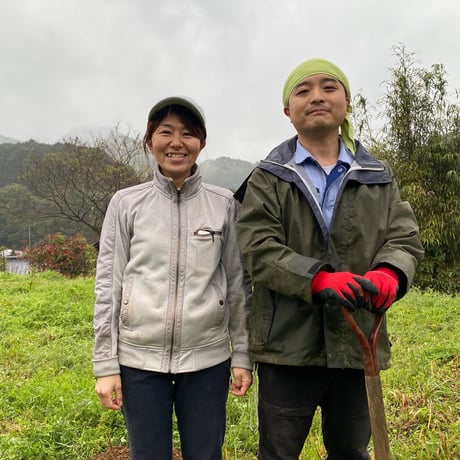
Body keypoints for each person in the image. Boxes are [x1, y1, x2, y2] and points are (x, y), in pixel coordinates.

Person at [235, 59, 424, 459]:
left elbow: (404, 236)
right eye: (303, 90)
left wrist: (391, 271)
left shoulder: (377, 176)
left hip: (357, 343)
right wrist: (316, 279)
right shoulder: (268, 177)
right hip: (286, 346)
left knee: (351, 451)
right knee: (278, 453)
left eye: (328, 87)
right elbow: (256, 246)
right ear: (288, 111)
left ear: (347, 102)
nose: (317, 96)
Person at [93, 96, 253, 460]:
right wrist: (105, 364)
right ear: (150, 141)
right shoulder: (126, 203)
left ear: (202, 142)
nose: (177, 143)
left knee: (206, 454)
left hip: (208, 364)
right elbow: (108, 285)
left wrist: (242, 354)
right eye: (166, 132)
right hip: (138, 364)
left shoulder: (223, 203)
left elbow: (238, 283)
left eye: (188, 134)